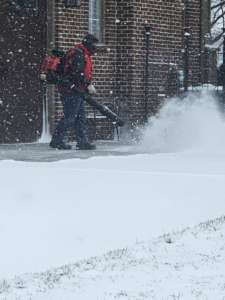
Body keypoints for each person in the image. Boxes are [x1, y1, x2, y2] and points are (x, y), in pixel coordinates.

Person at [50, 34, 99, 150]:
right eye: (94, 45)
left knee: (80, 117)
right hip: (71, 90)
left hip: (78, 91)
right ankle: (56, 140)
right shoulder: (79, 54)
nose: (95, 48)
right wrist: (88, 85)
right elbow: (78, 72)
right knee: (70, 116)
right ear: (88, 44)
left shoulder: (83, 54)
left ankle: (82, 142)